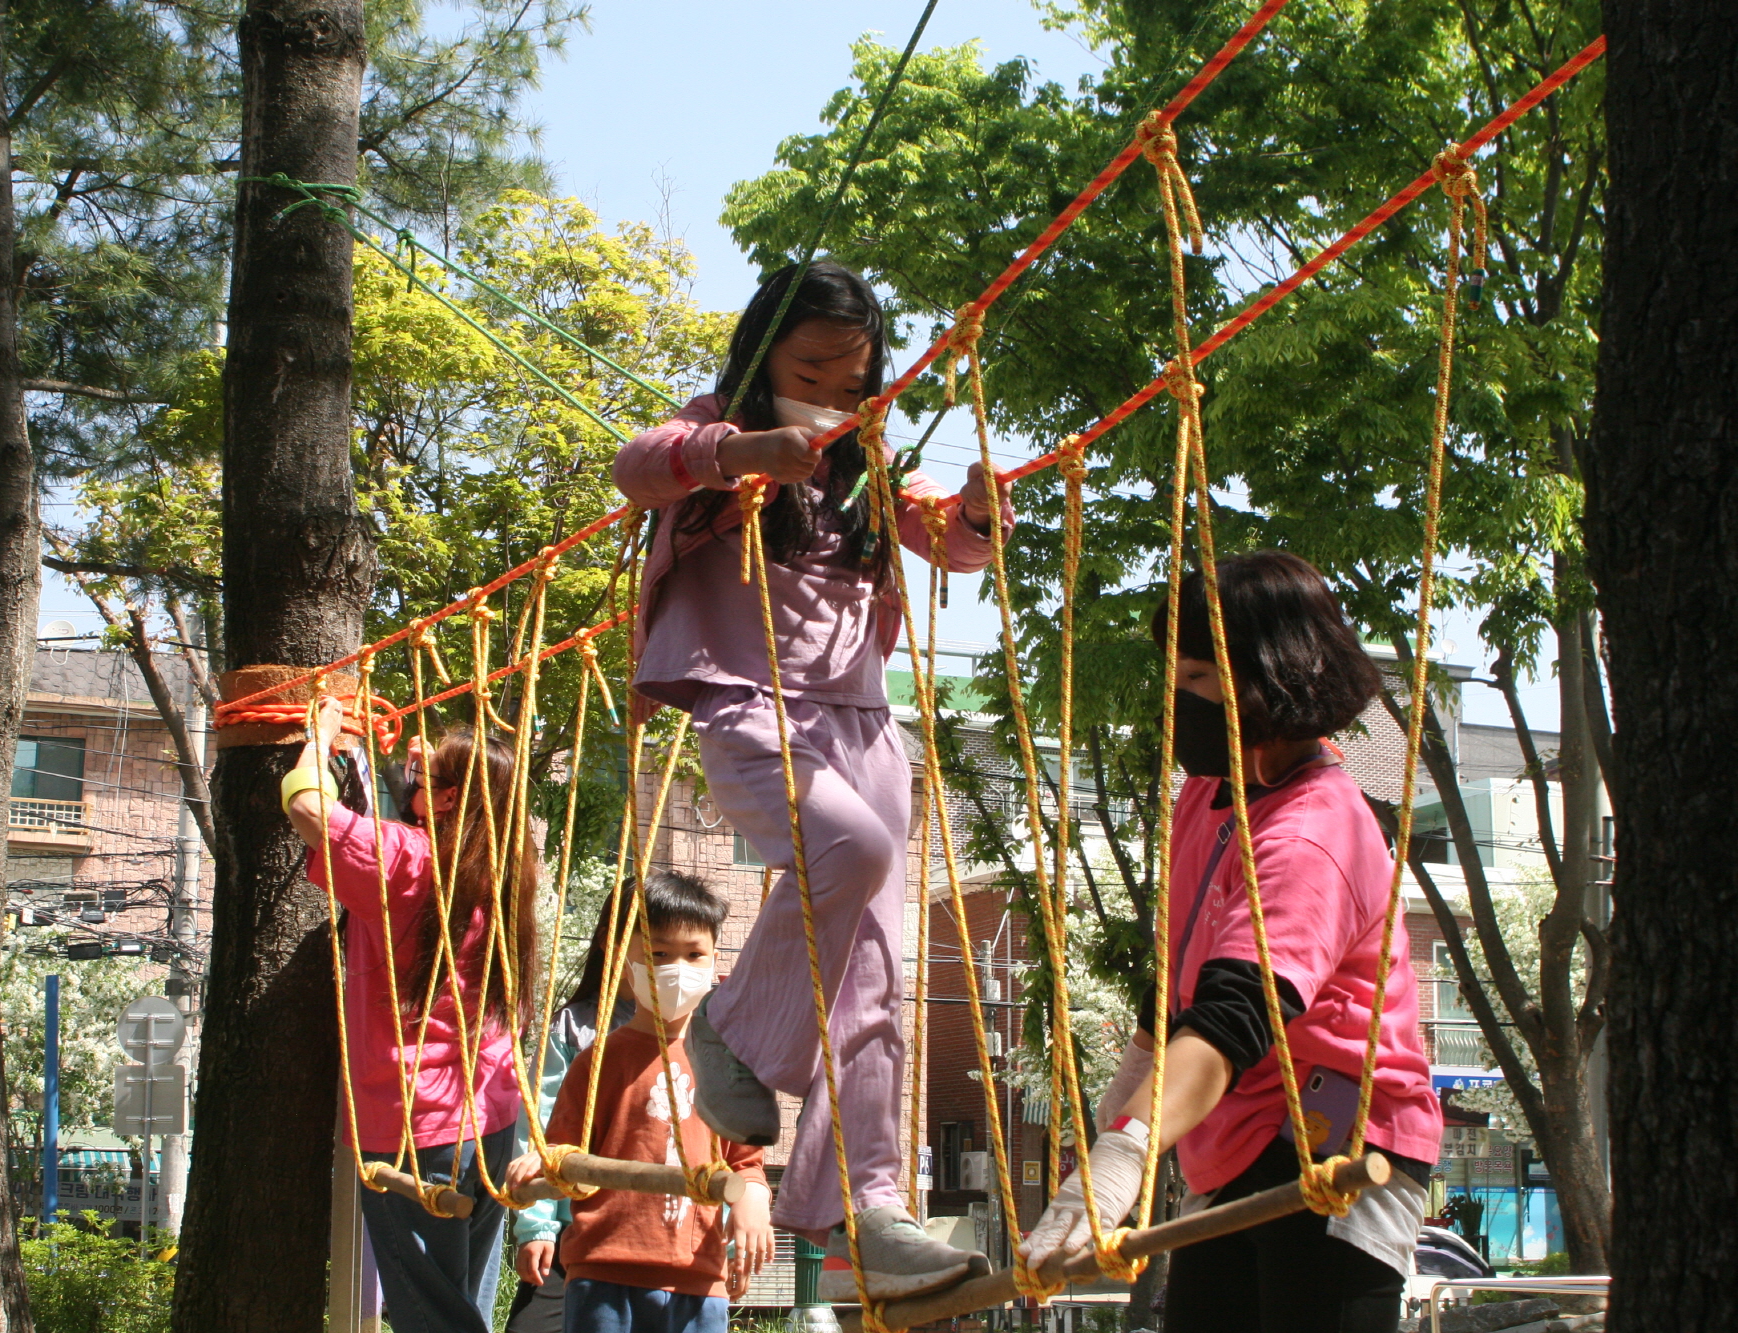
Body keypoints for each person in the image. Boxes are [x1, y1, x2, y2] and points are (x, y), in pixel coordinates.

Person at [610, 260, 1010, 1300]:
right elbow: (638, 462)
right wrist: (740, 450)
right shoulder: (719, 434)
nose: (834, 387)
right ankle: (731, 1029)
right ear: (761, 358)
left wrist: (972, 511)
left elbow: (949, 545)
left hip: (863, 725)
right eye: (812, 365)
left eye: (853, 371)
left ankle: (865, 1209)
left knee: (874, 970)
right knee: (855, 852)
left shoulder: (866, 463)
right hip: (750, 707)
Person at [1017, 551, 1443, 1333]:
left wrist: (1126, 1153)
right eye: (1175, 680)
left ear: (1272, 678)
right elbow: (1189, 975)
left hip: (1335, 1139)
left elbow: (1236, 1016)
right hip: (1232, 1134)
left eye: (1201, 680)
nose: (1180, 702)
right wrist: (1134, 1085)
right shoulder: (1209, 796)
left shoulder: (1314, 831)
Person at [286, 699, 539, 1333]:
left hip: (416, 1125)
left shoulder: (409, 860)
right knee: (460, 1302)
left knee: (431, 1314)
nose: (417, 764)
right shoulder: (506, 868)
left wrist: (317, 743)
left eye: (434, 771)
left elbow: (306, 806)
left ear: (453, 800)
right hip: (493, 1116)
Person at [507, 873, 772, 1333]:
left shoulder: (731, 1064)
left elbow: (746, 1163)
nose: (677, 968)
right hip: (604, 1269)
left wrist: (751, 1206)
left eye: (694, 955)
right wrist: (538, 1189)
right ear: (625, 961)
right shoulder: (597, 1060)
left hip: (698, 1275)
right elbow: (560, 1145)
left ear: (714, 962)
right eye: (658, 954)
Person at [505, 884, 636, 1333]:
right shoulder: (577, 1028)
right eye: (647, 945)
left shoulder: (701, 1037)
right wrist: (538, 1225)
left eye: (687, 952)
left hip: (664, 1233)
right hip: (574, 1228)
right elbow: (539, 1126)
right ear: (607, 940)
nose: (665, 964)